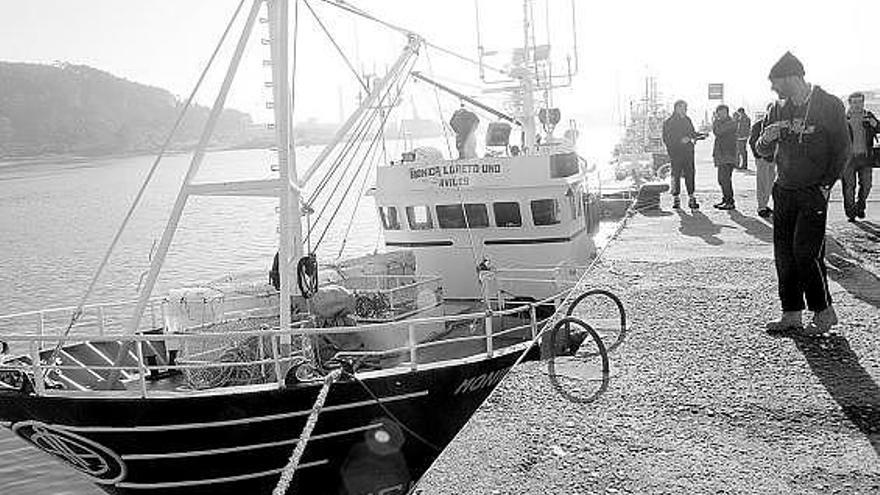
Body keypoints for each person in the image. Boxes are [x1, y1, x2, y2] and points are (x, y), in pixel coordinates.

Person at [755, 51, 850, 334]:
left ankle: (824, 311)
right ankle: (791, 313)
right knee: (784, 254)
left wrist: (825, 185)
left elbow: (842, 150)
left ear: (794, 77)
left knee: (806, 253)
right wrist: (766, 138)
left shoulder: (828, 104)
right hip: (784, 190)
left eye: (777, 82)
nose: (774, 88)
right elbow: (761, 150)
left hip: (813, 191)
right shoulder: (777, 108)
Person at [842, 92, 879, 221]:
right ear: (850, 103)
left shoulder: (868, 116)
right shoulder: (843, 118)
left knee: (867, 185)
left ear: (863, 102)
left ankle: (860, 206)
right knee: (849, 187)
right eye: (855, 102)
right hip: (848, 159)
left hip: (865, 157)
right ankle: (851, 213)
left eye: (860, 102)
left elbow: (879, 129)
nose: (858, 105)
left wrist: (876, 125)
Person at [661, 99, 703, 209]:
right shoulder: (668, 122)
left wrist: (698, 135)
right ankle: (676, 198)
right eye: (683, 108)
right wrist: (680, 140)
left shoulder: (687, 120)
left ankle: (691, 197)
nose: (685, 110)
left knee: (690, 174)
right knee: (675, 175)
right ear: (676, 108)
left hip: (688, 152)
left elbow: (691, 133)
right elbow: (666, 139)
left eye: (686, 108)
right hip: (675, 153)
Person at [749, 105, 777, 218]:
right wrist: (758, 156)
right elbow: (752, 142)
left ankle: (765, 205)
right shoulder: (758, 125)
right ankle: (761, 207)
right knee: (762, 183)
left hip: (773, 159)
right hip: (762, 159)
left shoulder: (778, 126)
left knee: (770, 183)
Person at [712, 104, 738, 209]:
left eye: (723, 112)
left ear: (727, 112)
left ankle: (730, 202)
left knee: (725, 179)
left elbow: (718, 131)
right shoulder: (721, 122)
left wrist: (716, 121)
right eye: (719, 112)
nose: (720, 114)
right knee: (721, 180)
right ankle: (725, 199)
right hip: (721, 155)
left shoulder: (732, 123)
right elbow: (717, 131)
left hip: (728, 155)